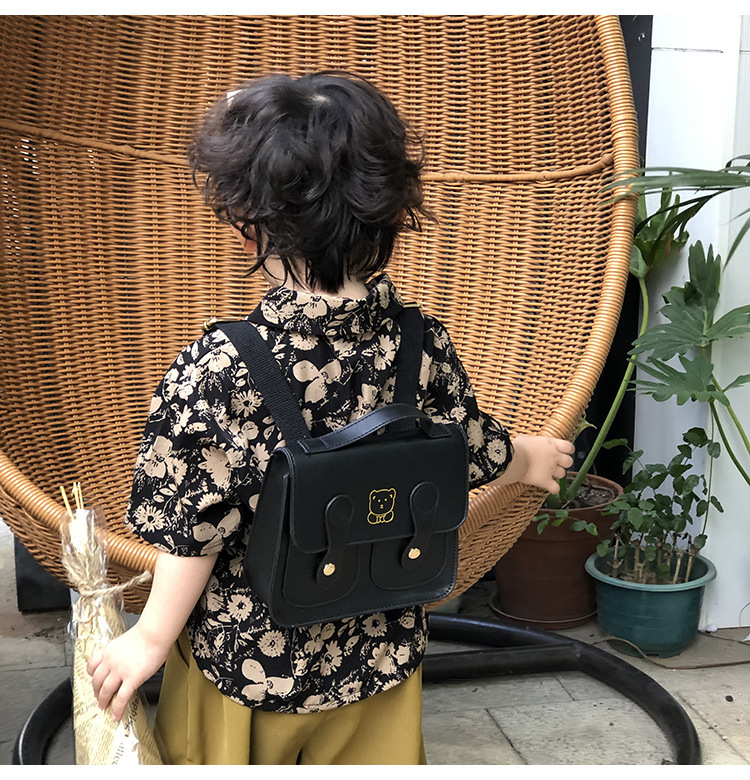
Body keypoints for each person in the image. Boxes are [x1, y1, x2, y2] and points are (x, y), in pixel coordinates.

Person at [87, 71, 575, 765]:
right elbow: (462, 448)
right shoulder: (419, 343)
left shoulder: (220, 368)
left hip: (252, 663)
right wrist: (527, 457)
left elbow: (194, 527)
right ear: (392, 210)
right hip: (380, 652)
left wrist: (151, 637)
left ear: (246, 221)